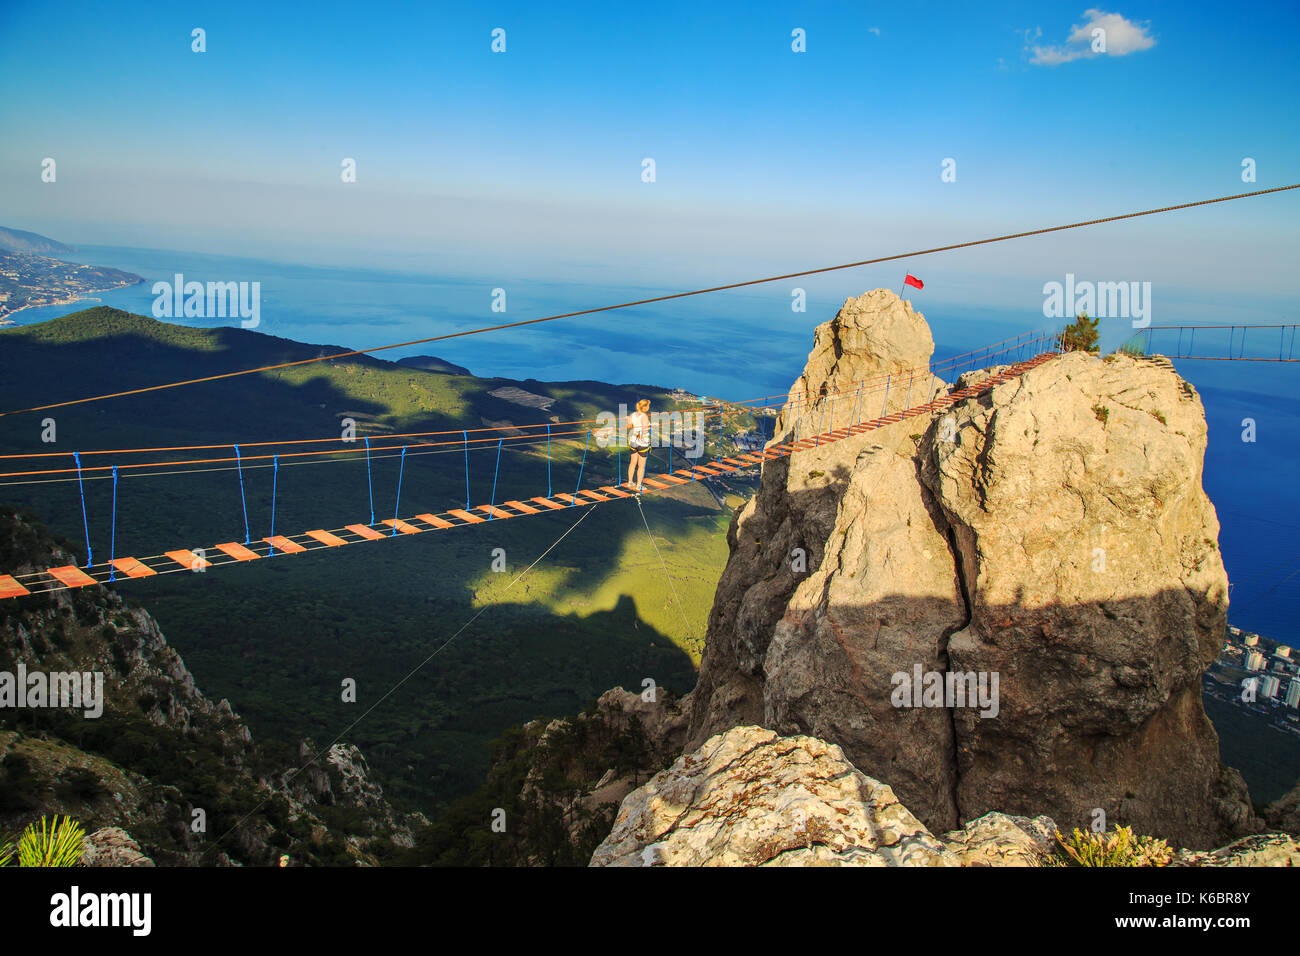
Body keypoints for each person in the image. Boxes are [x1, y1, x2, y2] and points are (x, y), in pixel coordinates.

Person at [626, 398, 652, 492]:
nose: (648, 407)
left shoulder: (632, 415)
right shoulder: (644, 416)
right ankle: (638, 485)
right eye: (648, 405)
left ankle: (630, 482)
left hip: (632, 441)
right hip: (642, 442)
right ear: (644, 407)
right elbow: (644, 430)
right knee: (641, 466)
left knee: (632, 463)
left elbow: (629, 427)